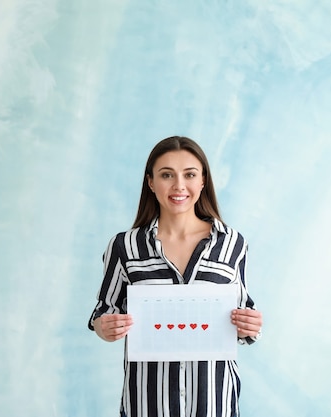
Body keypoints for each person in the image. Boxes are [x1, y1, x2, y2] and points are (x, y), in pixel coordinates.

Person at [88, 136, 262, 417]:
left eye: (189, 174)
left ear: (203, 180)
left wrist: (250, 325)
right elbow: (103, 311)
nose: (179, 185)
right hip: (146, 406)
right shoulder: (125, 247)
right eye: (167, 174)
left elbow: (244, 313)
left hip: (215, 405)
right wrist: (103, 327)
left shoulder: (232, 244)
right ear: (151, 182)